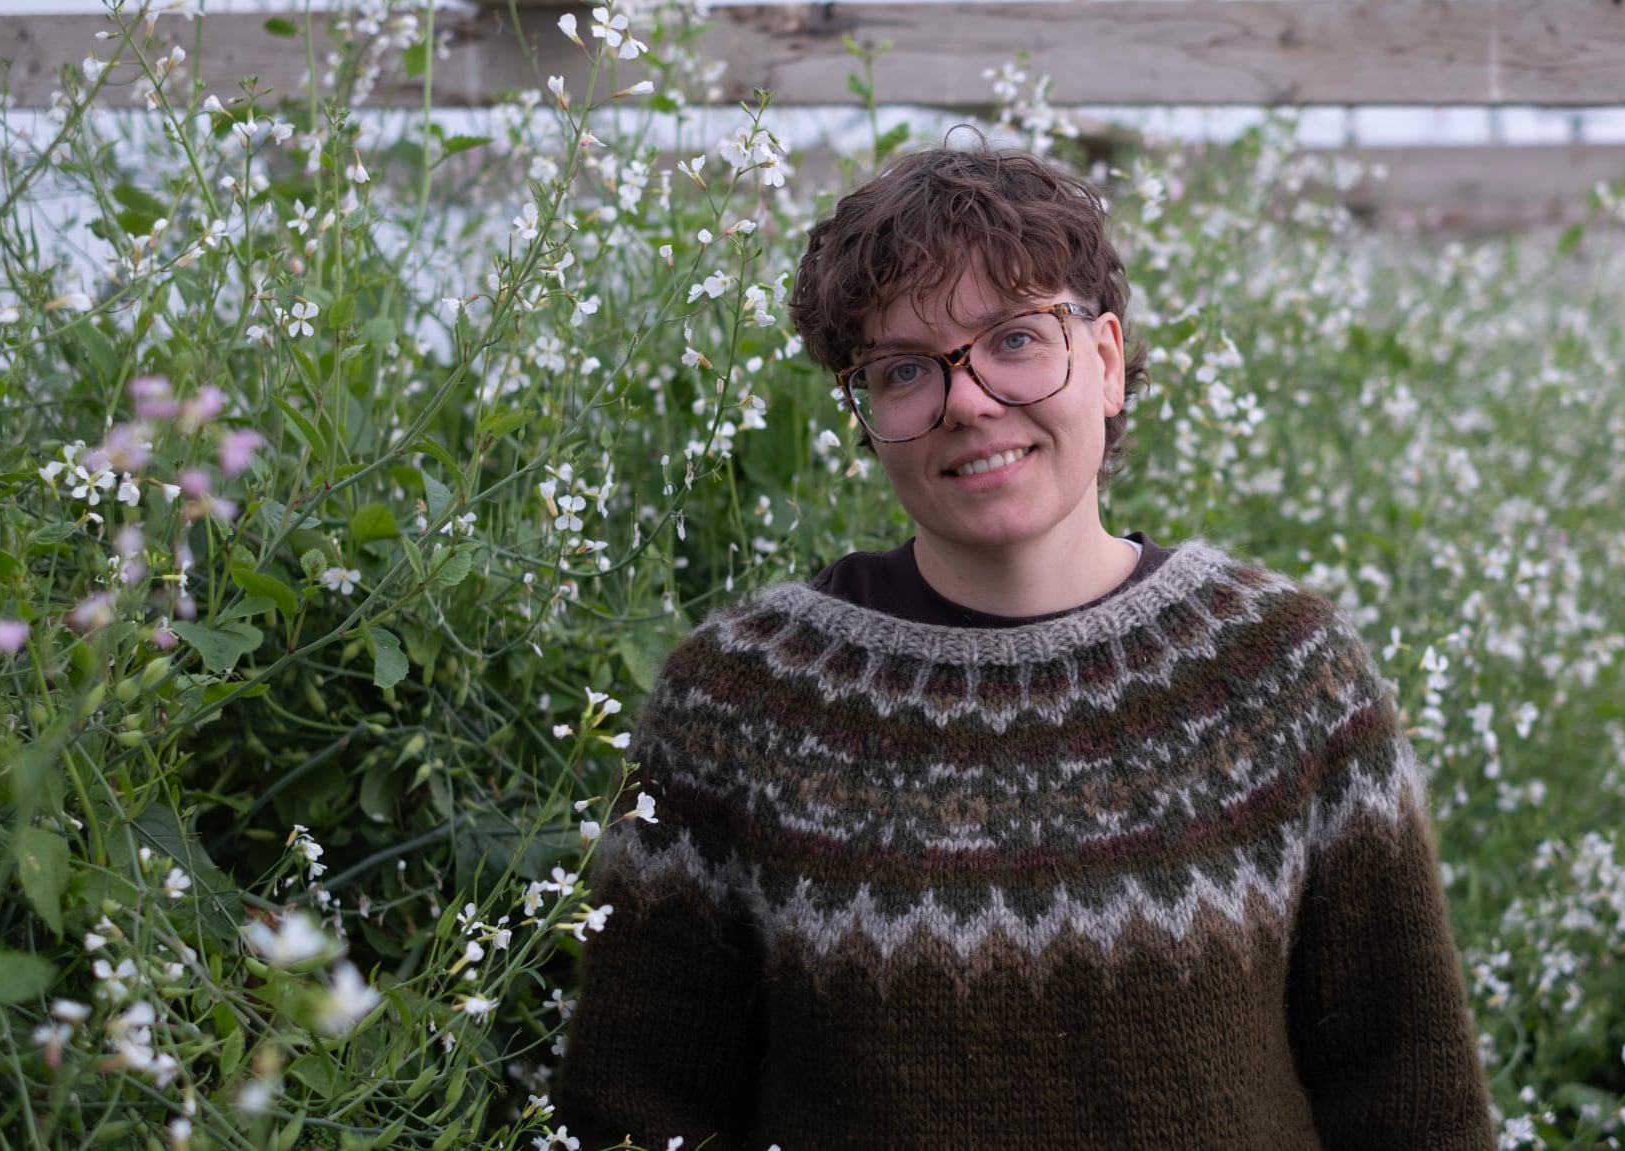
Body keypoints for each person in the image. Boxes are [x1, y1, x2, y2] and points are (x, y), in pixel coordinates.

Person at [555, 141, 1496, 1150]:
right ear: (866, 415)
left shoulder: (1282, 669)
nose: (966, 400)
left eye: (1014, 338)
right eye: (903, 369)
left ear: (1105, 362)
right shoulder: (741, 699)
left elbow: (1415, 1104)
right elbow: (633, 1109)